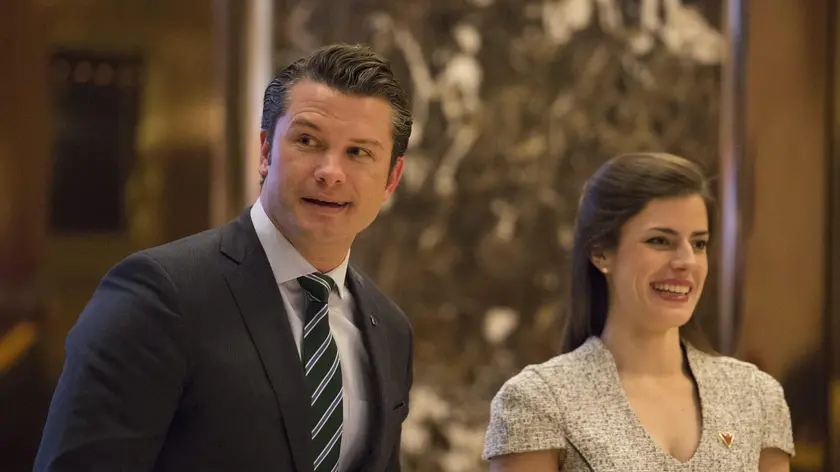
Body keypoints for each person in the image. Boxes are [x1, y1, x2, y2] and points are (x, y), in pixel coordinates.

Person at [35, 43, 414, 472]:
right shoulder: (160, 294)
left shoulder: (390, 328)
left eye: (358, 152)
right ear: (267, 151)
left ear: (391, 178)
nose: (330, 171)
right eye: (307, 140)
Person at [482, 153, 794, 471]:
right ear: (601, 252)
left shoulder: (755, 395)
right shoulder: (538, 401)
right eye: (660, 240)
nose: (686, 261)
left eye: (698, 244)